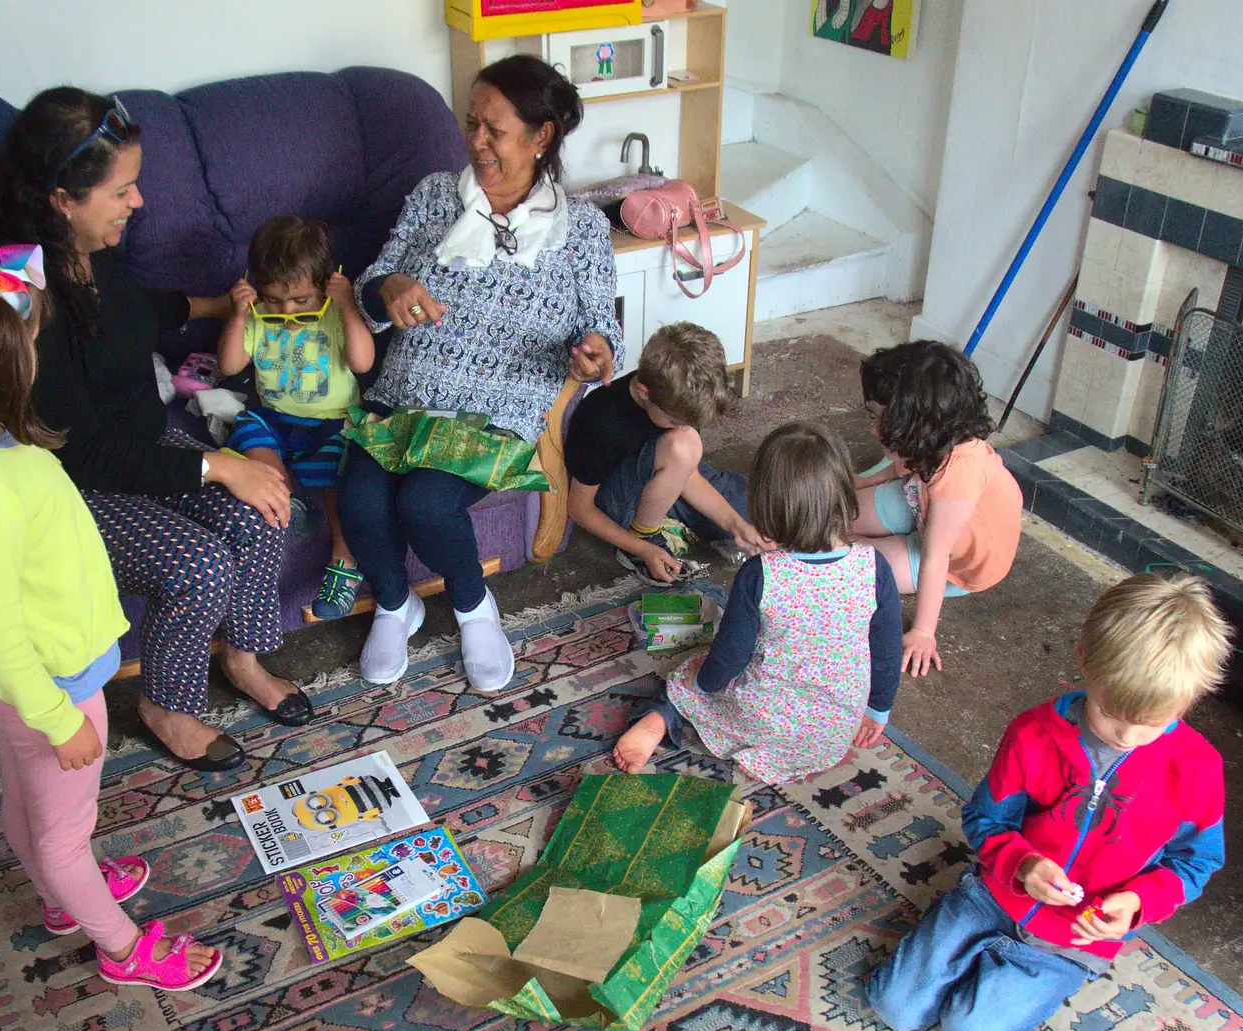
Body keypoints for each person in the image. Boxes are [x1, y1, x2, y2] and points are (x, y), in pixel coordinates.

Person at [0, 233, 221, 992]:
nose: (38, 362)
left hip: (26, 684)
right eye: (30, 348)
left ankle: (63, 899)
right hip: (51, 685)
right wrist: (60, 717)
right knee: (65, 834)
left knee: (27, 800)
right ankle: (123, 947)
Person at [0, 88, 313, 773]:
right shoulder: (18, 293)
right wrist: (219, 465)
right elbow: (88, 455)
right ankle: (166, 705)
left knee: (263, 508)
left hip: (140, 448)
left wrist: (218, 303)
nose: (137, 204)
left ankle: (243, 659)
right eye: (122, 191)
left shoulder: (93, 248)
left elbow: (131, 312)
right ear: (62, 198)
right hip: (76, 486)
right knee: (199, 563)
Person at [865, 572, 1232, 1031]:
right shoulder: (1035, 732)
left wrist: (1138, 902)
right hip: (993, 895)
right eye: (1108, 712)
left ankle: (1004, 972)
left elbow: (1196, 862)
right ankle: (971, 945)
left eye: (1148, 725)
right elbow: (986, 819)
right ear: (1083, 657)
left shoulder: (1197, 768)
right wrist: (1021, 863)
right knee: (893, 1007)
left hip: (1074, 938)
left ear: (1196, 694)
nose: (1125, 736)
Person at [342, 54, 622, 692]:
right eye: (471, 123)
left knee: (425, 502)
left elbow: (603, 329)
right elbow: (369, 287)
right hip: (407, 393)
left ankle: (474, 610)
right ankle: (395, 604)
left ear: (540, 136)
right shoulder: (435, 196)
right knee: (359, 500)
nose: (477, 141)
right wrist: (388, 288)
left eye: (494, 129)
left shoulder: (579, 231)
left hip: (501, 404)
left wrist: (596, 352)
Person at [613, 421, 902, 778]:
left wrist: (697, 683)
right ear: (844, 495)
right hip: (832, 732)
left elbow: (730, 657)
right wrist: (877, 711)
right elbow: (887, 651)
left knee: (688, 677)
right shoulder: (874, 567)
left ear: (765, 505)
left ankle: (661, 716)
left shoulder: (761, 574)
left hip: (764, 721)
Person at [218, 216, 374, 619]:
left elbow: (362, 361)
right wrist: (238, 315)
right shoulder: (256, 316)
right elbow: (231, 365)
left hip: (332, 423)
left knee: (343, 474)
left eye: (301, 301)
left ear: (326, 286)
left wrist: (348, 306)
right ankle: (285, 498)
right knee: (248, 431)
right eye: (273, 300)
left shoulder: (335, 314)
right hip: (275, 418)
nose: (286, 312)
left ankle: (344, 566)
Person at [851, 341, 1022, 678]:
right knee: (836, 511)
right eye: (874, 415)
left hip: (955, 566)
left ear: (918, 425)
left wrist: (924, 631)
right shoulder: (932, 439)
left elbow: (936, 556)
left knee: (849, 561)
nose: (873, 429)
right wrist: (850, 484)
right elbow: (895, 469)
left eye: (882, 419)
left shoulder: (960, 471)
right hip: (925, 506)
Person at [564, 321, 766, 585]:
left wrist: (735, 525)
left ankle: (671, 516)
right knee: (684, 445)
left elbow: (688, 476)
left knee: (760, 519)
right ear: (643, 393)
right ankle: (642, 536)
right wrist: (642, 549)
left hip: (669, 474)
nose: (681, 426)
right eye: (674, 421)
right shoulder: (602, 422)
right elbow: (579, 508)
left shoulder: (673, 395)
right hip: (622, 497)